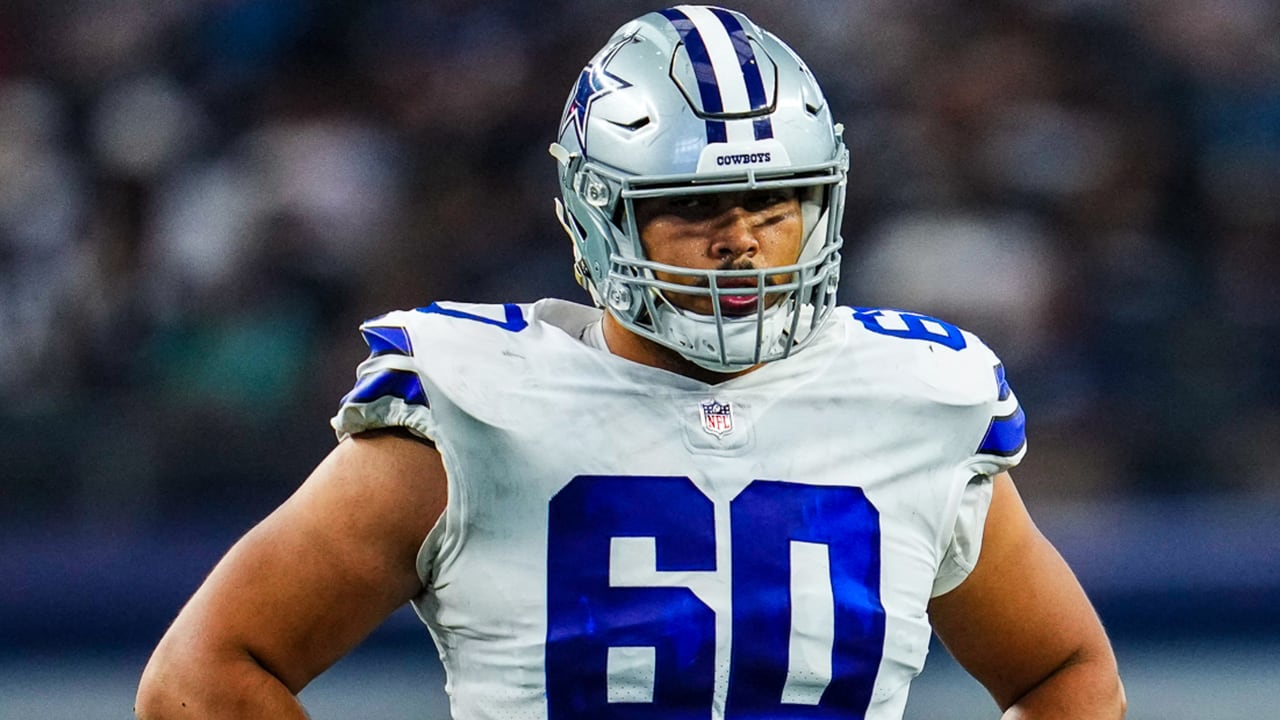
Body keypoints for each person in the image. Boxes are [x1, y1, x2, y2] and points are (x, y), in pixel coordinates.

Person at [135, 6, 1125, 719]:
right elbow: (203, 675)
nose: (742, 241)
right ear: (598, 215)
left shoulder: (915, 401)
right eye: (695, 207)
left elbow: (1063, 672)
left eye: (775, 202)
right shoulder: (473, 403)